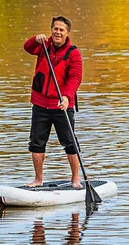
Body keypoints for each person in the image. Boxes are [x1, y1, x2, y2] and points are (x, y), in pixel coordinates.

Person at [24, 16, 84, 188]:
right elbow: (27, 48)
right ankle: (38, 180)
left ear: (67, 33)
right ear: (51, 30)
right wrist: (35, 39)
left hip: (62, 105)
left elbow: (75, 78)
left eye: (61, 30)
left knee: (70, 142)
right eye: (55, 29)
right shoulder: (43, 46)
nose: (57, 32)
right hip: (40, 104)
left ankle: (75, 179)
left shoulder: (73, 54)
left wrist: (66, 97)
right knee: (36, 142)